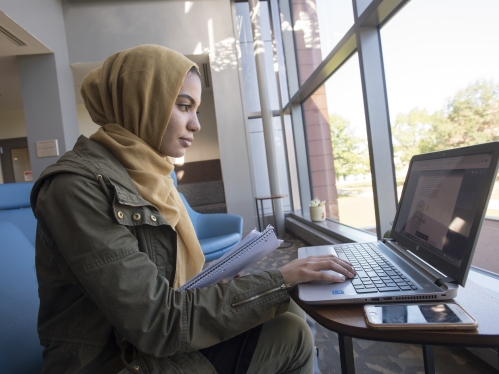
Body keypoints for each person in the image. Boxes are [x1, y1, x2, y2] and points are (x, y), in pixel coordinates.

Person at [30, 44, 356, 374]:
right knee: (291, 331)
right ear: (142, 102)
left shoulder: (150, 174)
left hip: (147, 347)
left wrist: (221, 283)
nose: (196, 124)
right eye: (185, 106)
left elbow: (162, 280)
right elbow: (155, 321)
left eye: (196, 110)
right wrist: (277, 280)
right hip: (119, 359)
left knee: (287, 315)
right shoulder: (74, 187)